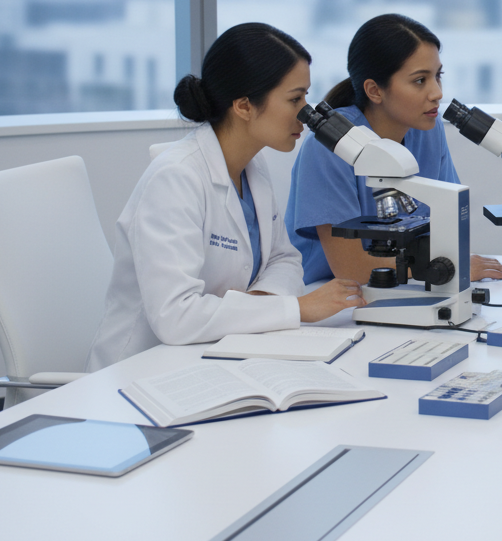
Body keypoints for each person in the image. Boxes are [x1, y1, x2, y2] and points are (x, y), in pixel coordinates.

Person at [87, 23, 366, 371]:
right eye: (295, 99)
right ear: (245, 106)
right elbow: (176, 316)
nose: (306, 115)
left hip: (215, 356)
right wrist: (296, 308)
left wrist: (259, 305)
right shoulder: (175, 178)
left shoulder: (252, 165)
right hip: (140, 371)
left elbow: (285, 260)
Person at [286, 13, 502, 285]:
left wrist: (448, 264)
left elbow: (449, 224)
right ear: (375, 91)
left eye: (438, 76)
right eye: (419, 80)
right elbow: (351, 268)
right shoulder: (329, 147)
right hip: (324, 289)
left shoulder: (428, 129)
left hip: (402, 279)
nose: (437, 92)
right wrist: (447, 265)